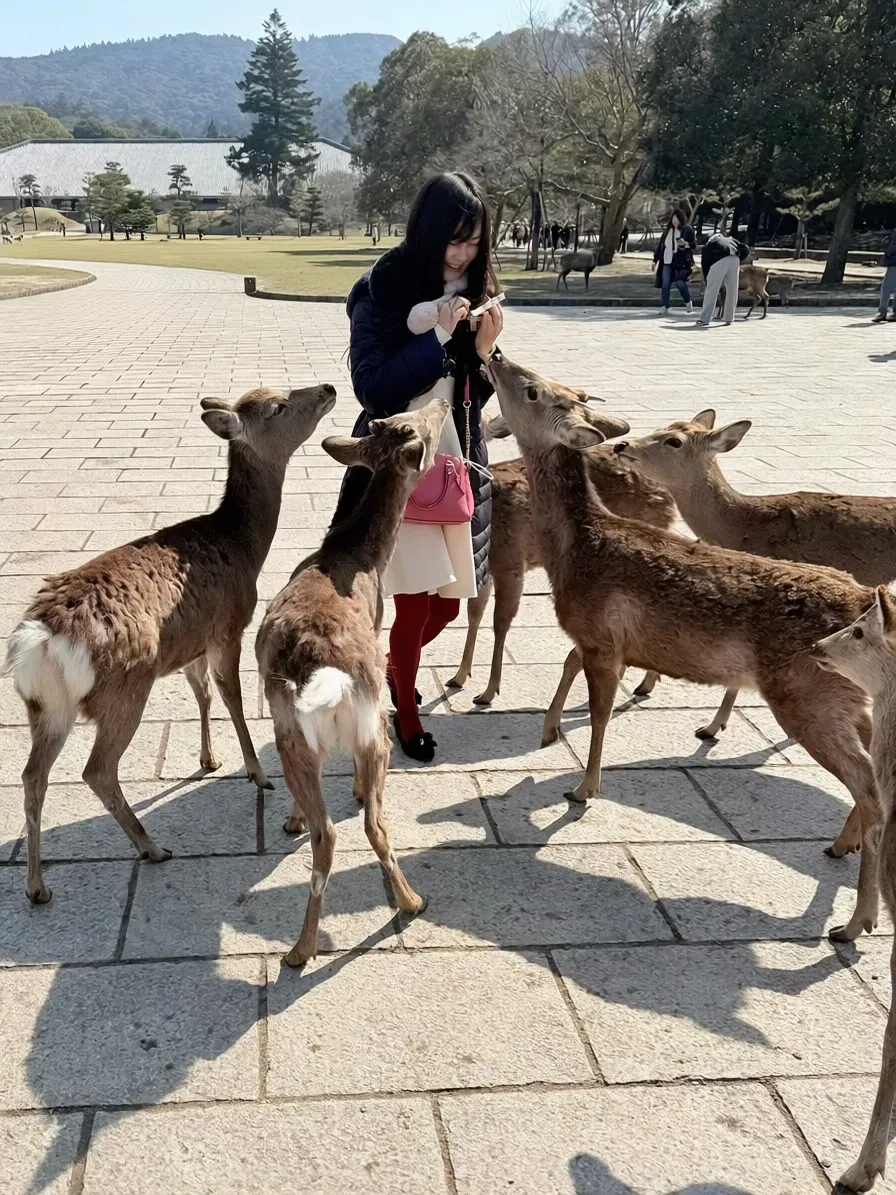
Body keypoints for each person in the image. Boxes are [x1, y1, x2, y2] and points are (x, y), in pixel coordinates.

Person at [338, 172, 503, 762]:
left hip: (459, 460)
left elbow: (472, 394)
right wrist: (436, 335)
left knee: (450, 602)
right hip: (400, 465)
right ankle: (402, 713)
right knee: (412, 601)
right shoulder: (383, 288)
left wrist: (481, 356)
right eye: (453, 240)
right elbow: (372, 387)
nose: (462, 254)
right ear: (427, 233)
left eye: (474, 241)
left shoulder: (476, 286)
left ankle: (383, 670)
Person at [696, 232, 751, 326]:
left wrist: (707, 280)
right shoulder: (730, 239)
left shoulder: (710, 245)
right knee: (732, 289)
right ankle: (729, 317)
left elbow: (705, 264)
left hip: (719, 260)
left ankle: (705, 319)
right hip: (735, 258)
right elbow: (744, 248)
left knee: (712, 290)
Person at [653, 209, 696, 313]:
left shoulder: (687, 230)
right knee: (665, 283)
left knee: (680, 283)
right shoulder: (668, 231)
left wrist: (686, 244)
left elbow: (694, 245)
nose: (675, 222)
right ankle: (665, 305)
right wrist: (655, 260)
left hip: (680, 262)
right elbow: (661, 246)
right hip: (667, 260)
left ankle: (688, 301)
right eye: (673, 219)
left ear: (682, 220)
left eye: (677, 220)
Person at [872, 227, 896, 323]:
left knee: (886, 288)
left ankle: (882, 312)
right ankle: (895, 313)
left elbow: (892, 249)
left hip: (894, 264)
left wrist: (888, 254)